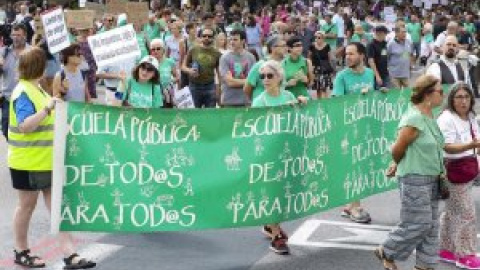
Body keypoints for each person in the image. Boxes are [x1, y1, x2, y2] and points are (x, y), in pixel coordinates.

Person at [8, 47, 96, 269]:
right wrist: (48, 108)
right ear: (39, 67)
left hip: (47, 160)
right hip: (28, 162)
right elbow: (25, 126)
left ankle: (69, 254)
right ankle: (21, 250)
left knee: (58, 207)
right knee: (26, 207)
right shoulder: (23, 92)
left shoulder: (38, 89)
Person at [375, 74, 445, 270]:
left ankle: (425, 265)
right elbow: (398, 148)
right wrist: (397, 163)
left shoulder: (429, 115)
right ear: (428, 95)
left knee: (431, 226)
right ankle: (388, 250)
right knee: (419, 223)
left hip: (433, 178)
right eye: (440, 91)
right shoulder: (413, 118)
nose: (443, 95)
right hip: (415, 178)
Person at [252, 60, 307, 255]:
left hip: (288, 152)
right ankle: (276, 235)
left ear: (279, 77)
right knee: (273, 192)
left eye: (269, 76)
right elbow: (255, 128)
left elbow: (299, 120)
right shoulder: (260, 100)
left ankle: (269, 225)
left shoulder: (288, 95)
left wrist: (301, 104)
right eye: (262, 76)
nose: (265, 80)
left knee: (284, 193)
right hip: (269, 153)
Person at [437, 82, 480, 270]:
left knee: (452, 212)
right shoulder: (446, 118)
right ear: (451, 99)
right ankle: (465, 254)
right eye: (459, 97)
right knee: (466, 213)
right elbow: (446, 147)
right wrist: (471, 146)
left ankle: (446, 249)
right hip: (454, 170)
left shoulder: (471, 117)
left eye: (466, 97)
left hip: (468, 169)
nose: (463, 101)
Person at [332, 42, 374, 223]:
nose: (347, 57)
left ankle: (350, 205)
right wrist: (357, 99)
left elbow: (373, 98)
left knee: (362, 166)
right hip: (347, 129)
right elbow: (336, 103)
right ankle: (355, 207)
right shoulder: (341, 76)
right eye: (346, 54)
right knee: (354, 165)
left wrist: (381, 95)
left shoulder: (370, 74)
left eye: (351, 54)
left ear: (361, 55)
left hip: (365, 128)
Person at [0, 24, 29, 140]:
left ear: (25, 36)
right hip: (8, 98)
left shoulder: (32, 51)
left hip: (25, 97)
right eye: (13, 35)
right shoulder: (4, 52)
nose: (16, 38)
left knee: (24, 127)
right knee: (6, 128)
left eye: (19, 35)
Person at [182, 28, 222, 108]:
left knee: (210, 115)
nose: (206, 38)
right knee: (194, 114)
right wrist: (190, 71)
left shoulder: (217, 53)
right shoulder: (193, 49)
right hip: (194, 86)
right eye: (204, 36)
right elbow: (183, 66)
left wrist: (219, 89)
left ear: (213, 38)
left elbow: (219, 73)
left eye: (209, 36)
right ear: (200, 37)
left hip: (210, 86)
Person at [244, 35, 287, 102]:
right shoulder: (260, 65)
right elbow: (247, 88)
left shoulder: (283, 65)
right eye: (283, 46)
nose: (286, 48)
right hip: (261, 106)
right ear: (273, 48)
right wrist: (256, 100)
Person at [219, 29, 256, 107]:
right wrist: (247, 81)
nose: (232, 42)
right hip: (229, 101)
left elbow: (253, 81)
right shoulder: (224, 58)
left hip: (246, 100)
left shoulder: (251, 57)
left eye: (235, 39)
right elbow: (230, 82)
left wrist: (235, 80)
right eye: (230, 39)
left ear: (243, 41)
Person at [150, 39, 178, 108]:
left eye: (158, 49)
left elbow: (177, 77)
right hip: (153, 96)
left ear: (163, 50)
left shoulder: (170, 62)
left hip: (167, 96)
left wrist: (170, 82)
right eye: (153, 49)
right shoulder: (148, 63)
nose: (155, 51)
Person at [309, 31, 333, 99]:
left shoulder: (327, 46)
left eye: (319, 37)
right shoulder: (312, 46)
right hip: (315, 69)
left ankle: (325, 102)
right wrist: (310, 68)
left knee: (324, 88)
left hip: (324, 69)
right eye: (315, 37)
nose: (317, 39)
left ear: (323, 38)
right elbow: (309, 57)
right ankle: (319, 102)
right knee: (317, 88)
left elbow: (330, 58)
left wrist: (331, 70)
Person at [367, 25, 389, 89]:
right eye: (385, 34)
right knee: (377, 94)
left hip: (384, 73)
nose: (386, 36)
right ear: (380, 33)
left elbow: (385, 56)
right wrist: (377, 76)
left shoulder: (384, 43)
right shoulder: (371, 44)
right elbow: (371, 61)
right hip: (375, 75)